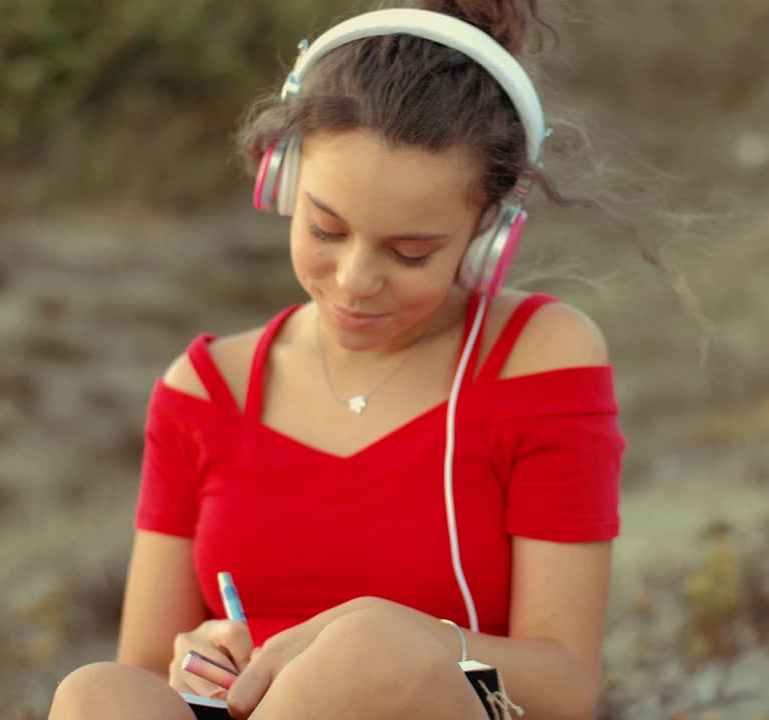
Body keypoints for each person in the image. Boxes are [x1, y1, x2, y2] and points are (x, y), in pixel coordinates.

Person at [48, 2, 637, 719]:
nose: (356, 280)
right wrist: (195, 660)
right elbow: (144, 669)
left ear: (488, 236)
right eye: (326, 228)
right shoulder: (202, 391)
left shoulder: (536, 357)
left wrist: (400, 635)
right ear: (282, 182)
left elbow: (565, 685)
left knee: (367, 657)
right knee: (94, 694)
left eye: (411, 252)